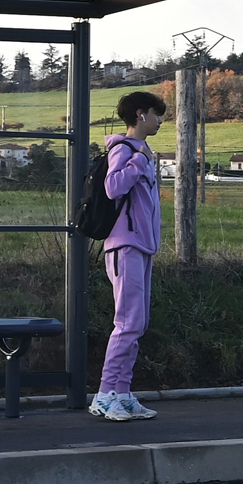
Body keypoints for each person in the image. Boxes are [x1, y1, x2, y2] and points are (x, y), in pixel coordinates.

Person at [90, 91, 165, 421]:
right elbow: (113, 186)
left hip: (141, 246)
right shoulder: (124, 149)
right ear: (140, 115)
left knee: (138, 323)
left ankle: (122, 392)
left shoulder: (143, 151)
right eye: (156, 114)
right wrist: (138, 161)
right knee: (127, 322)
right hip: (124, 245)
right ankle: (105, 395)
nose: (161, 120)